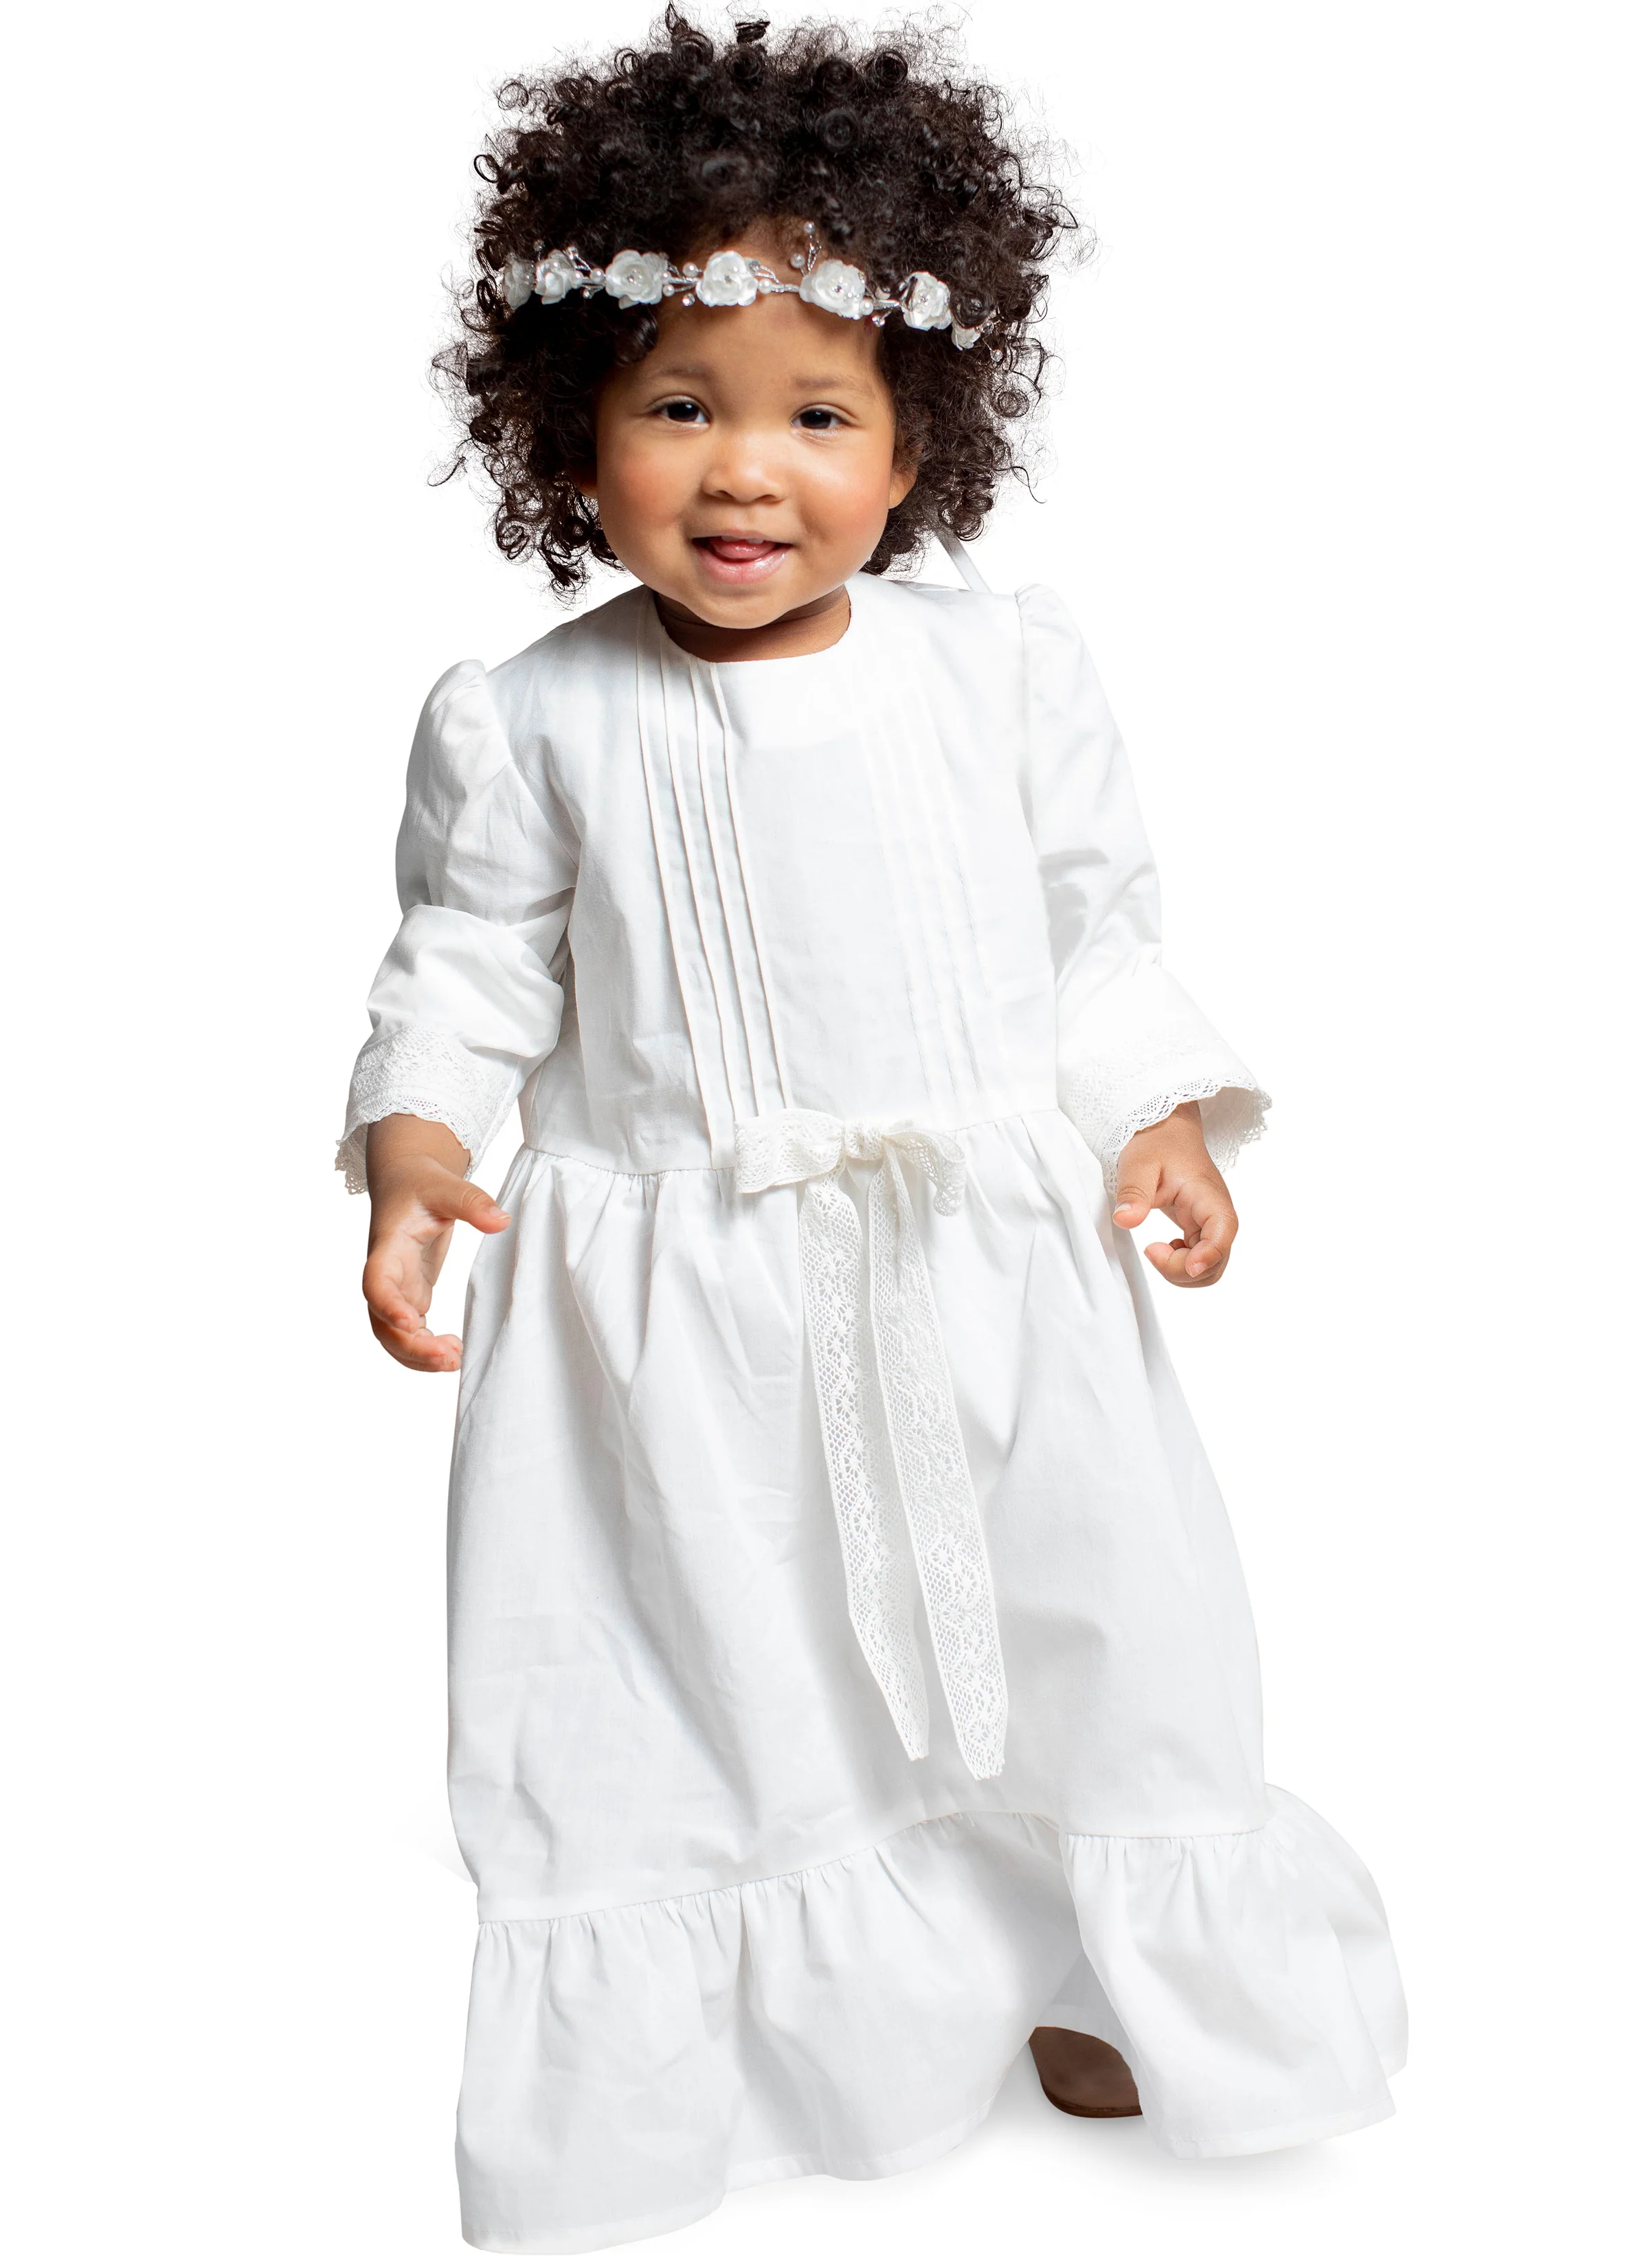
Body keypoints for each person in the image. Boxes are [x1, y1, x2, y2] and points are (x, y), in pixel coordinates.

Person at [339, 11, 1406, 2251]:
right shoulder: (530, 721)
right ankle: (804, 2040)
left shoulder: (1000, 672)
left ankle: (1097, 1959)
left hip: (988, 1276)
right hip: (680, 1328)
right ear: (570, 426)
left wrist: (1156, 1118)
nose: (748, 473)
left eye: (817, 414)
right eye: (681, 406)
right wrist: (420, 1147)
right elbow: (467, 965)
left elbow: (1095, 934)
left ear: (919, 444)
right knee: (730, 1668)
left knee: (1083, 1619)